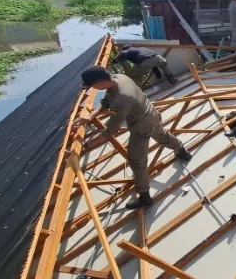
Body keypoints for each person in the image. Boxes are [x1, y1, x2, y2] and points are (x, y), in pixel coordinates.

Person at [73, 66, 193, 210]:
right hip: (152, 114)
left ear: (100, 82)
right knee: (162, 135)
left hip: (141, 127)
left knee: (137, 161)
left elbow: (110, 130)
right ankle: (182, 151)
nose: (92, 89)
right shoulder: (119, 77)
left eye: (92, 86)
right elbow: (106, 102)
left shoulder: (122, 99)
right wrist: (90, 117)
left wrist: (86, 145)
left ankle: (145, 197)